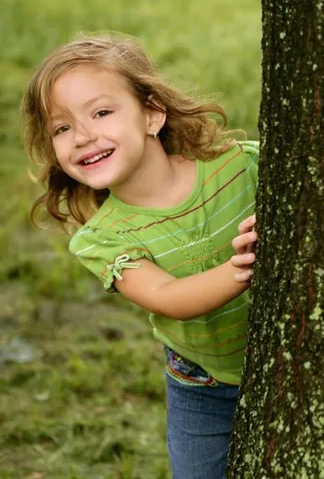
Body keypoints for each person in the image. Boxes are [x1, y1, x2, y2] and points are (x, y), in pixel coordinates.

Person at [21, 34, 259, 479]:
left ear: (152, 114)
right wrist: (241, 269)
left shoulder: (240, 168)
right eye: (61, 128)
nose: (83, 136)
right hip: (203, 387)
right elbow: (167, 296)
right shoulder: (104, 239)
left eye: (101, 112)